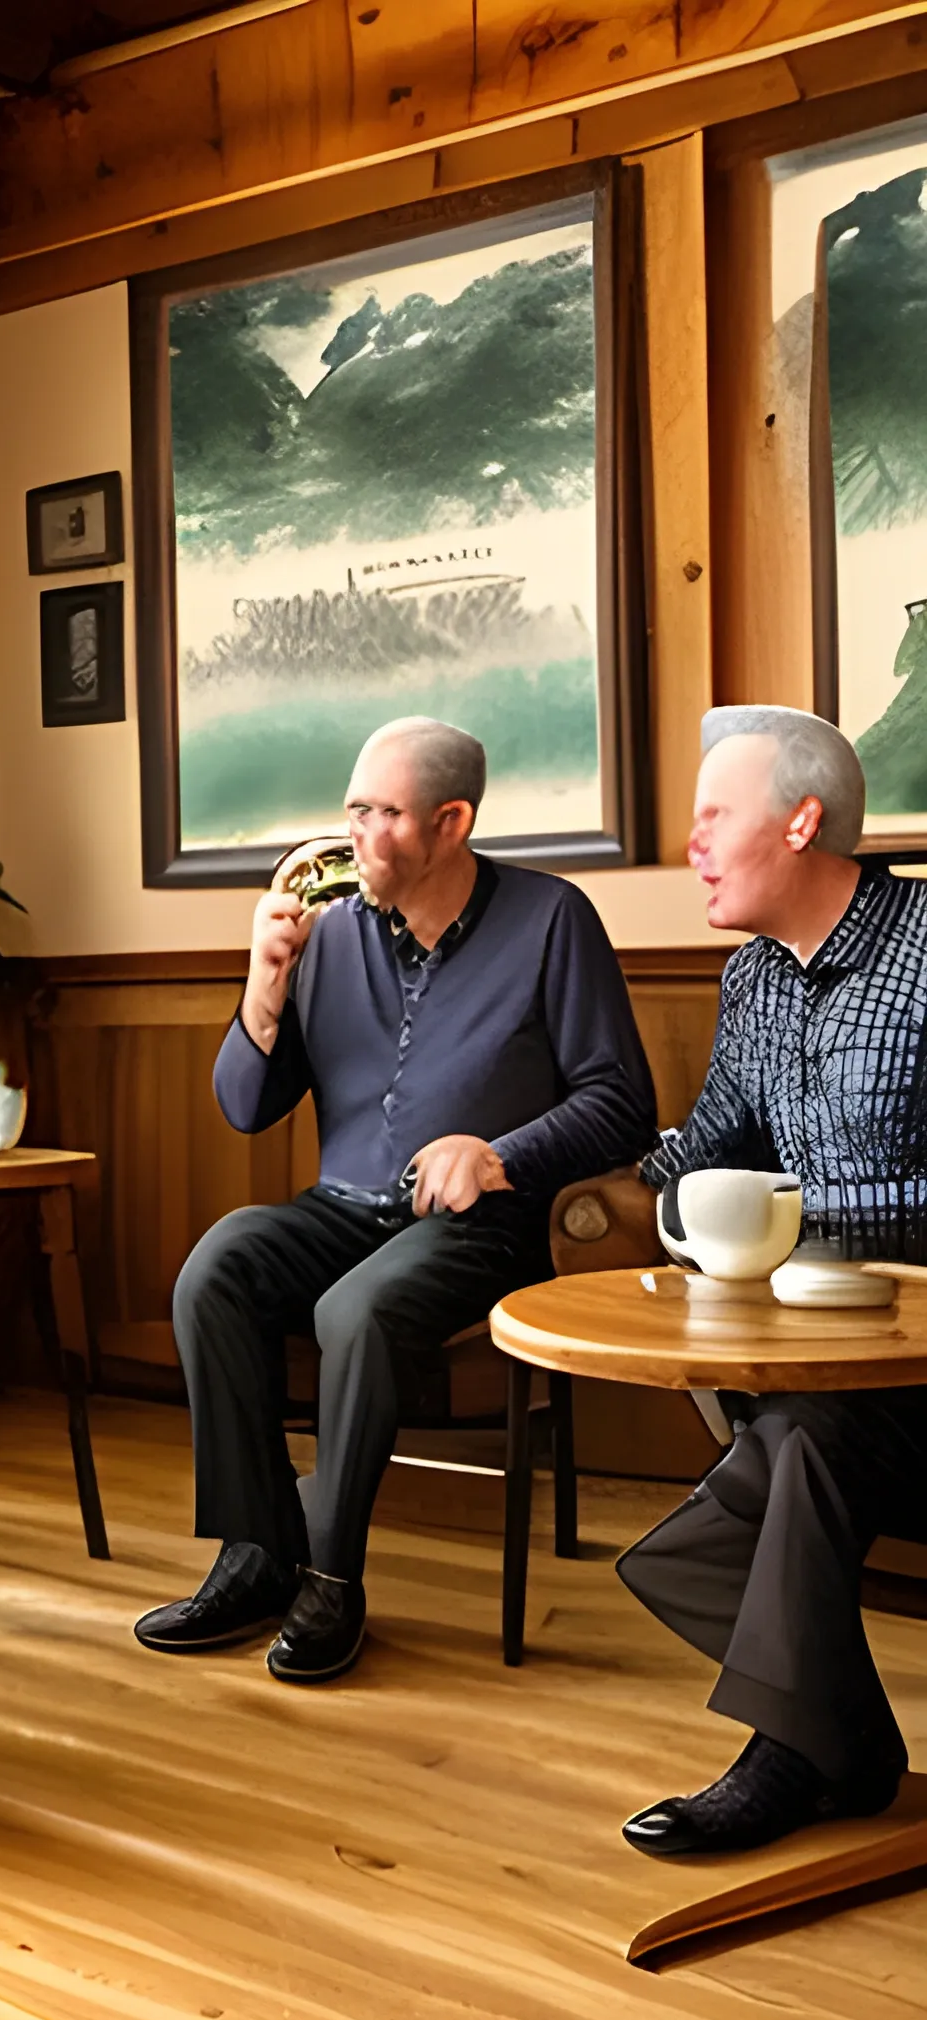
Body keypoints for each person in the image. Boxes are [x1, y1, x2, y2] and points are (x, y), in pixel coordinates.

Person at [136, 717, 656, 1682]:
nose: (355, 835)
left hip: (482, 1225)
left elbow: (623, 1104)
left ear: (451, 822)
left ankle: (332, 1579)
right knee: (219, 1264)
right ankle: (255, 1555)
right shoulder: (326, 932)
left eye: (383, 814)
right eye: (353, 810)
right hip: (342, 1208)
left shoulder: (552, 919)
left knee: (357, 1308)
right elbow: (247, 1107)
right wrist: (264, 981)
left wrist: (497, 1153)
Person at [617, 705, 927, 1856]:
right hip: (819, 1355)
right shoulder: (751, 974)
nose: (689, 843)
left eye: (710, 817)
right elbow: (710, 1134)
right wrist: (632, 1195)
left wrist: (793, 1212)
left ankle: (799, 1754)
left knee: (794, 1444)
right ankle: (831, 1743)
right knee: (796, 1433)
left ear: (800, 821)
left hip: (917, 1367)